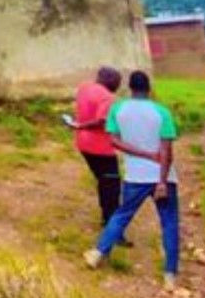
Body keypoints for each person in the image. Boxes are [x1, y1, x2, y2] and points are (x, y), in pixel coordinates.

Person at [84, 70, 181, 292]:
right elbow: (166, 151)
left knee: (121, 215)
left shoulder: (119, 109)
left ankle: (98, 253)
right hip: (163, 176)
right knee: (169, 224)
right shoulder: (161, 112)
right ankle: (169, 276)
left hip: (134, 177)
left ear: (130, 88)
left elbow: (115, 142)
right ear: (149, 88)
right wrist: (162, 181)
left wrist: (142, 154)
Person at [71, 66, 130, 244]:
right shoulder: (108, 98)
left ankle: (107, 217)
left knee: (104, 182)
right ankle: (113, 230)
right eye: (117, 82)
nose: (118, 86)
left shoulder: (84, 88)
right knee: (111, 186)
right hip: (101, 148)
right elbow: (101, 121)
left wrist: (79, 126)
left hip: (83, 144)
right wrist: (82, 125)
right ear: (111, 81)